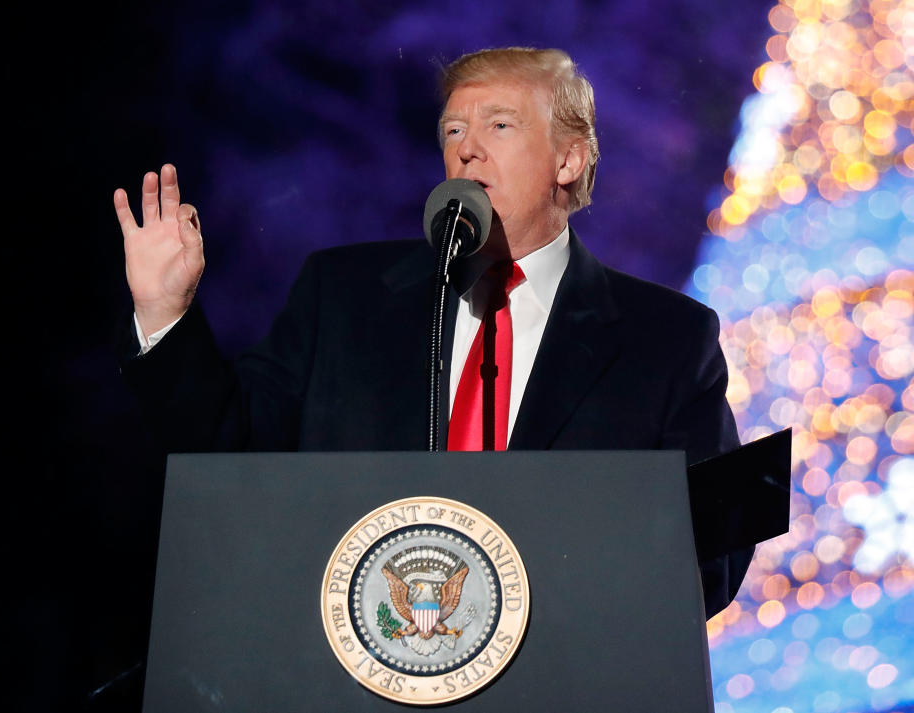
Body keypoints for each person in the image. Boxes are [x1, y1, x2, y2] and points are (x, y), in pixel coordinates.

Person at [114, 47, 751, 617]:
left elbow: (707, 563)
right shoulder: (342, 298)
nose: (466, 148)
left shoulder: (665, 339)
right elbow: (230, 454)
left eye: (499, 125)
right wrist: (165, 312)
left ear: (569, 158)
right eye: (453, 130)